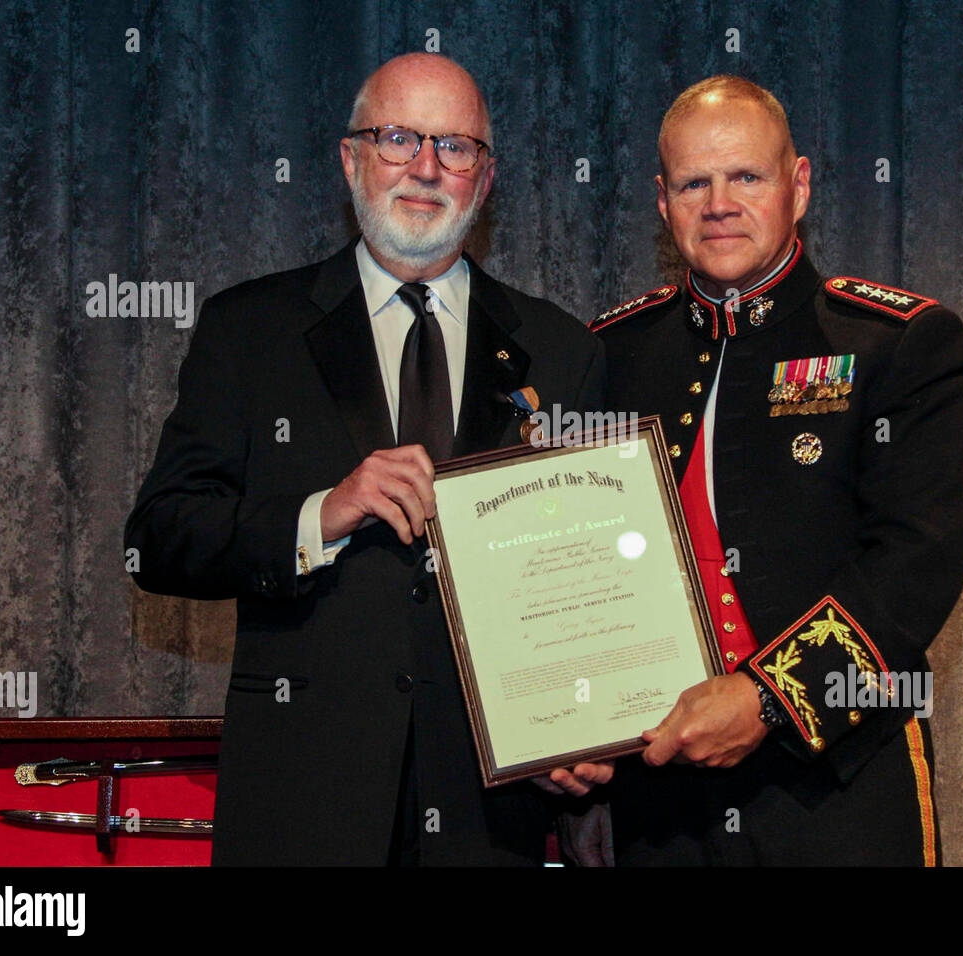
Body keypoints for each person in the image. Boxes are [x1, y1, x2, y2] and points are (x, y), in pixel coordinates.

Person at [125, 53, 609, 866]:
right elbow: (160, 538)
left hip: (489, 815)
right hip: (303, 799)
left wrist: (584, 723)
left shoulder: (562, 350)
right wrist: (325, 513)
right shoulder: (249, 331)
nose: (425, 168)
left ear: (484, 182)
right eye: (397, 139)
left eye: (455, 147)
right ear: (350, 160)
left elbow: (586, 583)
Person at [588, 75, 963, 865]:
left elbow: (916, 561)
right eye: (694, 182)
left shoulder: (895, 342)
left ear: (797, 187)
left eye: (746, 177)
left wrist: (768, 698)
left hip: (835, 781)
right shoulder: (612, 354)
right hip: (659, 796)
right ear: (663, 203)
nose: (719, 202)